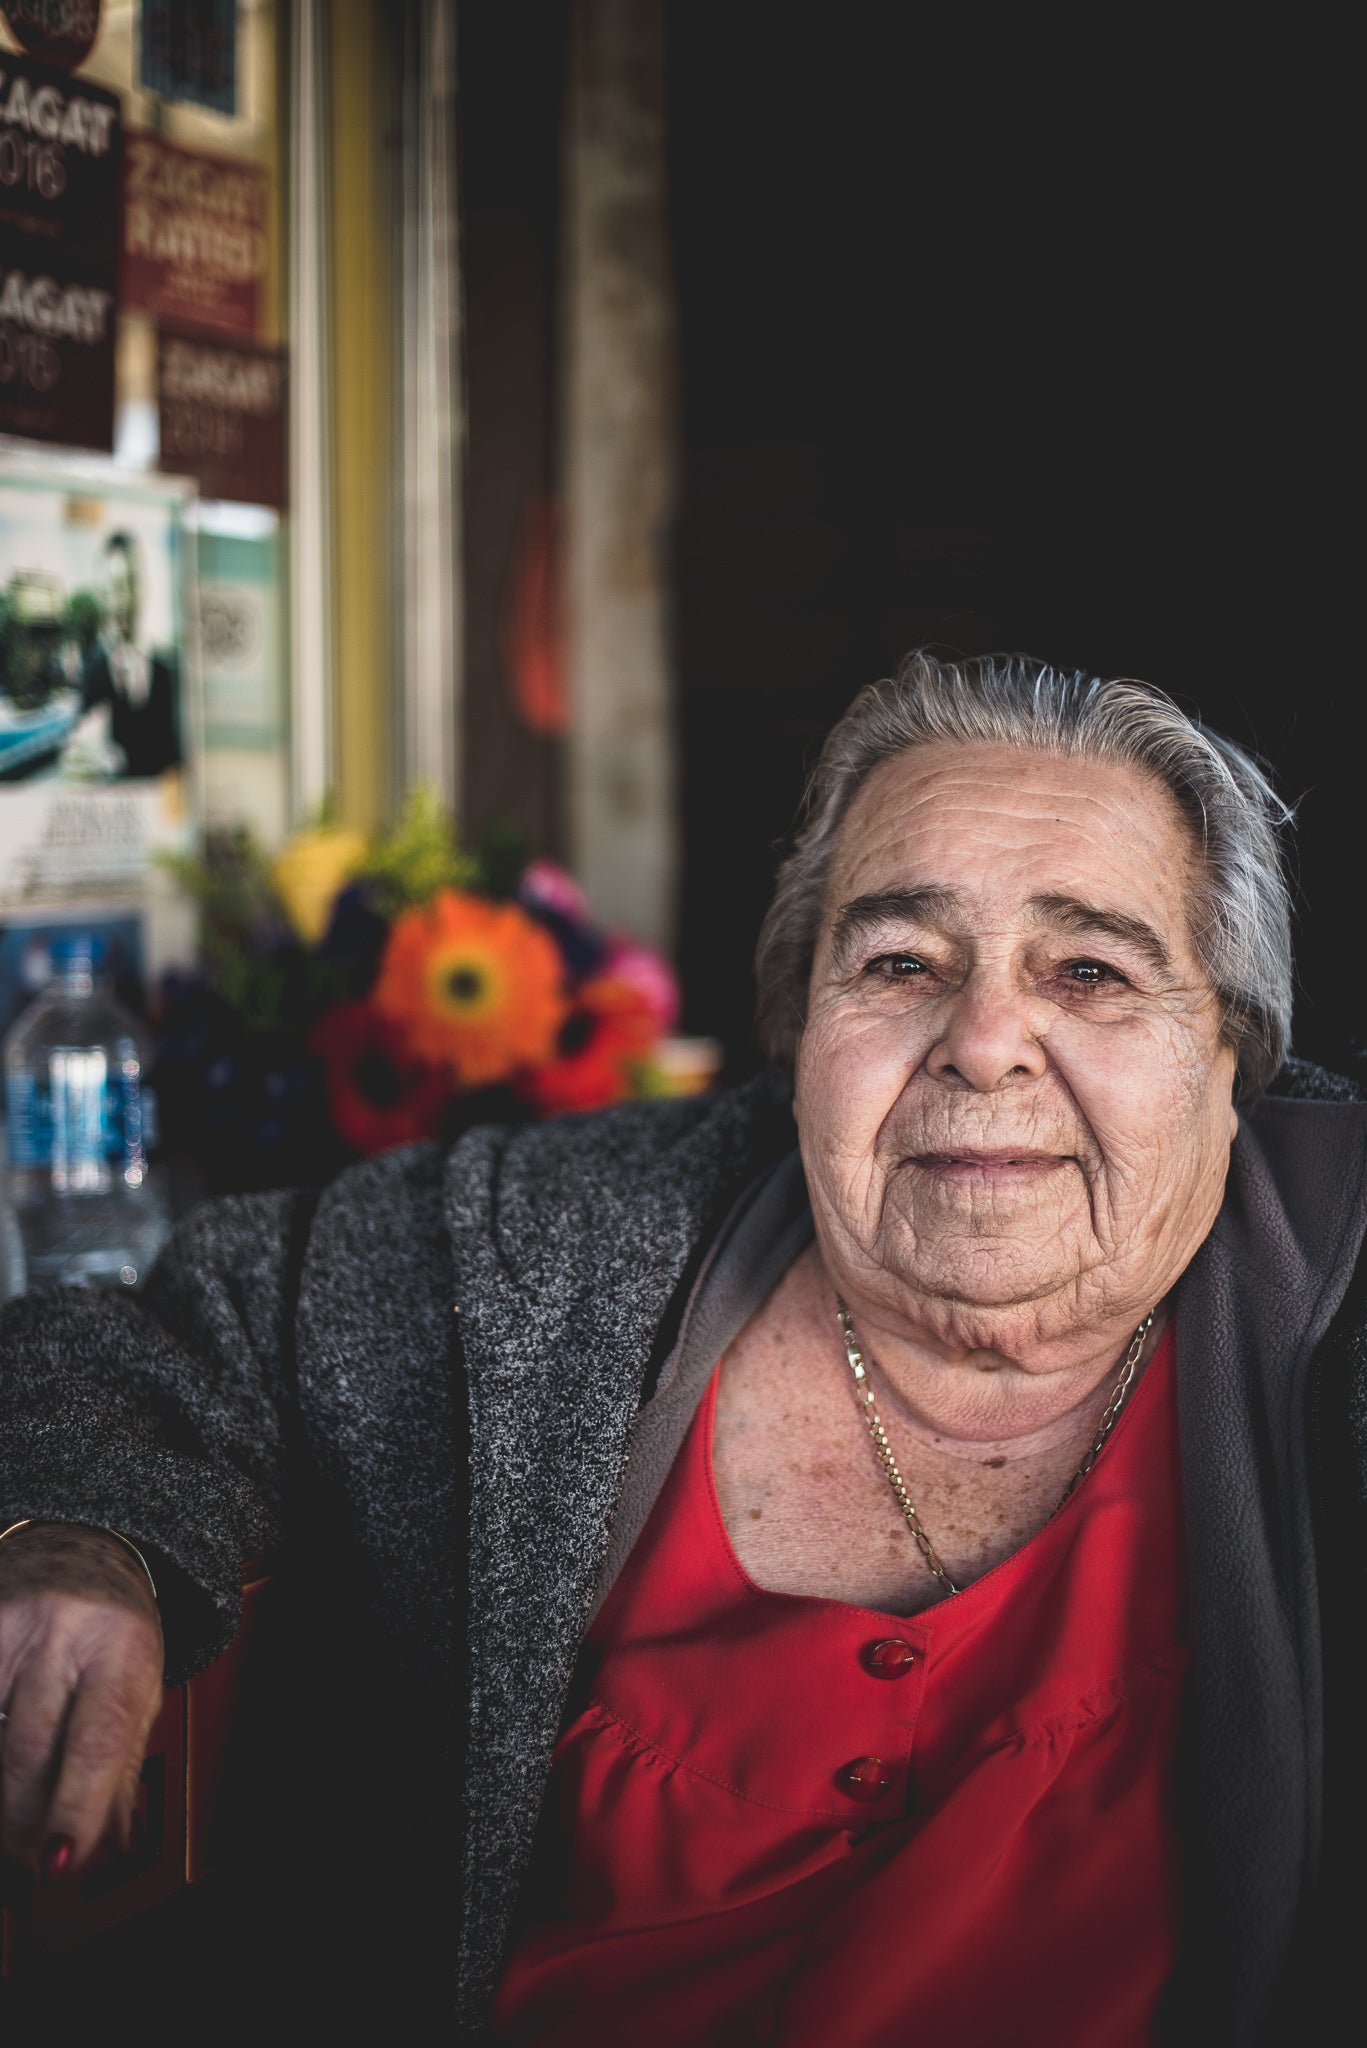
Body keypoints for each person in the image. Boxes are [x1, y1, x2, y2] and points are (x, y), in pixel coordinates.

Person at [0, 653, 1362, 2044]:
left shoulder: (1332, 1298)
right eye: (898, 963)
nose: (983, 1041)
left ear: (1226, 1055)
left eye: (1087, 968)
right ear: (796, 1028)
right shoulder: (566, 1243)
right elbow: (169, 1328)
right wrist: (83, 1536)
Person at [78, 532, 182, 780]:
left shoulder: (171, 671)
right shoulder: (92, 675)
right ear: (103, 595)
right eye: (114, 588)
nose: (122, 600)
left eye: (129, 584)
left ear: (144, 588)